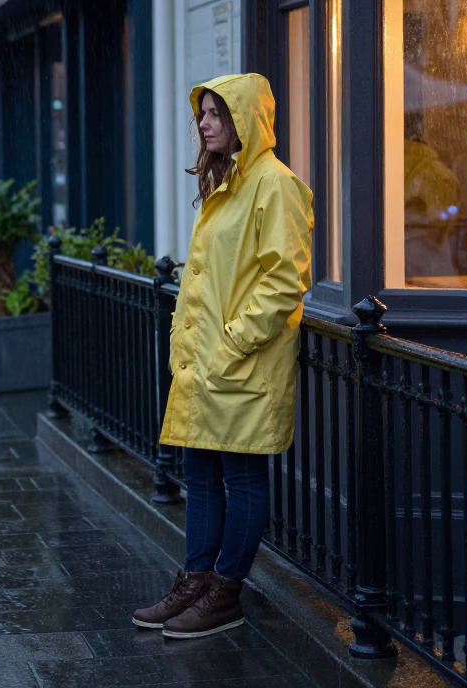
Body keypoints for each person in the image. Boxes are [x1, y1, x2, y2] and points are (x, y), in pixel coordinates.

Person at [132, 73, 314, 639]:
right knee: (200, 475)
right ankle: (195, 582)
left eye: (215, 114)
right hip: (208, 362)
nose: (204, 123)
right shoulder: (226, 182)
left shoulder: (275, 184)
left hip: (243, 361)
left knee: (242, 474)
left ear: (244, 120)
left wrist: (233, 341)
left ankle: (225, 593)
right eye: (203, 114)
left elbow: (285, 279)